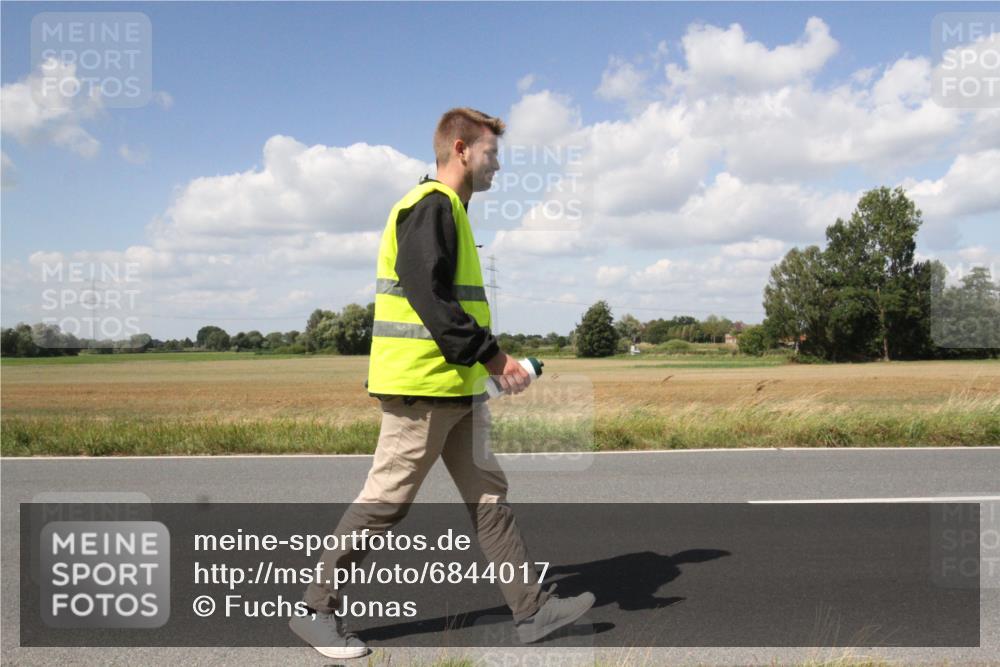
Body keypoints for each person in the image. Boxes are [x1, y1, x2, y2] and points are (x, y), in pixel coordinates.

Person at [289, 108, 595, 660]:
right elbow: (430, 299)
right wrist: (495, 359)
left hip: (458, 390)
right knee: (386, 502)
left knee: (488, 496)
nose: (497, 165)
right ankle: (316, 610)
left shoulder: (452, 212)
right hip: (423, 390)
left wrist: (489, 369)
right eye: (491, 154)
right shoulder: (430, 206)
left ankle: (531, 610)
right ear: (461, 149)